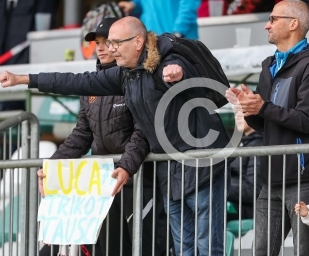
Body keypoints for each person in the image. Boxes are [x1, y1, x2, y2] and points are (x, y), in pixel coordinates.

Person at [0, 16, 231, 256]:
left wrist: (179, 72)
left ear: (138, 42)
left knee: (205, 247)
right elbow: (76, 83)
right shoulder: (125, 75)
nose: (109, 48)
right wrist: (24, 79)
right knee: (185, 247)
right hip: (165, 174)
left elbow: (182, 75)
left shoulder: (166, 62)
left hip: (198, 168)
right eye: (106, 43)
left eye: (115, 43)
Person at [36, 17, 168, 256]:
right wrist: (52, 166)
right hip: (103, 188)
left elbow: (143, 133)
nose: (101, 47)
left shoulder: (138, 80)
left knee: (141, 249)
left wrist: (126, 167)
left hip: (139, 183)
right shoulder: (90, 88)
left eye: (108, 41)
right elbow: (81, 135)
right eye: (97, 42)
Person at [225, 0, 309, 255]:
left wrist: (262, 107)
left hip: (303, 177)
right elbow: (263, 124)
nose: (267, 25)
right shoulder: (269, 65)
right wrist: (247, 107)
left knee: (304, 250)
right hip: (270, 178)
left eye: (273, 19)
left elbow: (307, 120)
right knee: (260, 250)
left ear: (293, 24)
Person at [118, 0, 200, 39]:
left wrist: (178, 32)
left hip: (181, 42)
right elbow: (151, 1)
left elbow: (190, 0)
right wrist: (134, 5)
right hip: (155, 43)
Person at [227, 112, 263, 221]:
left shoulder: (259, 146)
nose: (237, 116)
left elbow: (255, 189)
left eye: (242, 112)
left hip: (250, 208)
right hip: (235, 203)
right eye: (236, 112)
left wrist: (221, 189)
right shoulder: (240, 144)